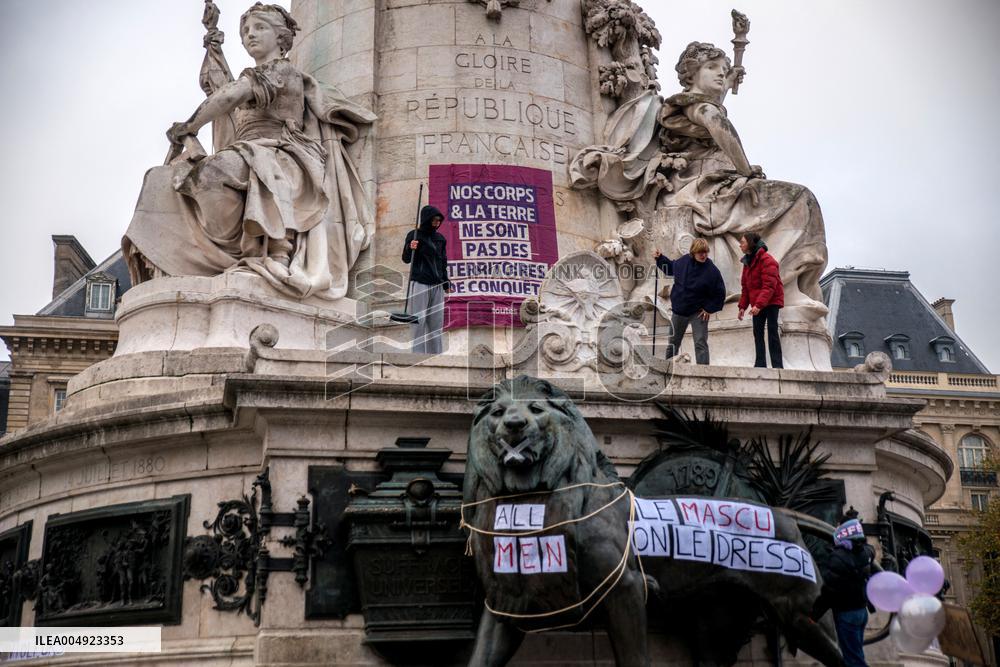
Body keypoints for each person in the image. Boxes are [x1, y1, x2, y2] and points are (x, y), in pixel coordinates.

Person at [123, 3, 377, 300]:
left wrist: (190, 125)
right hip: (251, 152)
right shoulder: (256, 75)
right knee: (160, 178)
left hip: (283, 154)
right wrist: (213, 41)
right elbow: (226, 94)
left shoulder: (282, 71)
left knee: (216, 171)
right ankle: (187, 260)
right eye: (245, 31)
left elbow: (232, 95)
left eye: (259, 28)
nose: (249, 35)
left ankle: (257, 251)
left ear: (281, 37)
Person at [571, 41, 828, 326]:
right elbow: (718, 125)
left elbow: (723, 92)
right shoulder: (695, 107)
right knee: (800, 200)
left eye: (723, 69)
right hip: (703, 187)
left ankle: (780, 287)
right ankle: (777, 286)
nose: (721, 74)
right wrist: (746, 169)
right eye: (712, 68)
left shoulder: (697, 104)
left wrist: (736, 59)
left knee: (799, 203)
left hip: (715, 184)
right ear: (691, 74)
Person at [814, 518, 876, 667]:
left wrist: (814, 614)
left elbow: (829, 591)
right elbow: (870, 550)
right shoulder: (865, 552)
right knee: (856, 653)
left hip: (847, 613)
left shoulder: (838, 557)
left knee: (853, 660)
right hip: (861, 611)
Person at [653, 238, 726, 364]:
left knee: (700, 343)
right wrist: (660, 259)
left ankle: (703, 372)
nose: (703, 255)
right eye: (700, 252)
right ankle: (668, 370)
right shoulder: (683, 262)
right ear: (693, 252)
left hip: (698, 312)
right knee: (673, 343)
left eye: (705, 252)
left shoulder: (712, 270)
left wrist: (709, 308)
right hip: (679, 311)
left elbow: (720, 293)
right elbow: (670, 268)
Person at [402, 206, 452, 354]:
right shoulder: (414, 235)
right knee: (419, 321)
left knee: (436, 324)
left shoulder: (440, 239)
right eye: (434, 220)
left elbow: (443, 262)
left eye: (439, 220)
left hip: (437, 285)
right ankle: (417, 356)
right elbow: (405, 259)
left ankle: (436, 356)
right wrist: (409, 248)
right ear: (426, 219)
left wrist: (446, 282)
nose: (437, 223)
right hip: (420, 283)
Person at [738, 232, 784, 368]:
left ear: (750, 243)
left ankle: (777, 365)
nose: (740, 245)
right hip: (758, 302)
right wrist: (742, 307)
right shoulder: (747, 263)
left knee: (772, 330)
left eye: (742, 242)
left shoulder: (767, 260)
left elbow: (769, 286)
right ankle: (760, 364)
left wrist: (759, 305)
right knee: (757, 332)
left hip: (771, 301)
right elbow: (746, 288)